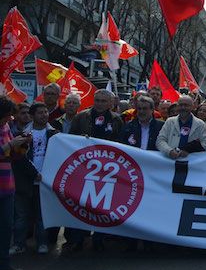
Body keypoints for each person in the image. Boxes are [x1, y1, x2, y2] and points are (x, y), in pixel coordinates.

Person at [65, 89, 124, 253]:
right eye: (97, 100)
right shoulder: (81, 117)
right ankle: (78, 239)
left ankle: (99, 239)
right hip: (84, 168)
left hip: (107, 170)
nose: (99, 104)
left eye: (103, 101)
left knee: (103, 206)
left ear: (110, 103)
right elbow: (70, 139)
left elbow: (121, 144)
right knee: (82, 204)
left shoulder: (116, 120)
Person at [11, 102, 55, 256]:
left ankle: (42, 243)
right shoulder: (22, 135)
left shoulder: (54, 134)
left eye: (46, 112)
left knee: (41, 216)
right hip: (26, 181)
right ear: (32, 115)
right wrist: (33, 173)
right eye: (40, 112)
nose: (44, 115)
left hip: (45, 182)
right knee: (22, 215)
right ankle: (19, 244)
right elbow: (19, 158)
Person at [0, 97, 30, 270]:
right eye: (6, 116)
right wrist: (11, 144)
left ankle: (4, 266)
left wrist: (23, 144)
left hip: (7, 186)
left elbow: (12, 156)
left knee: (5, 228)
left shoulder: (5, 128)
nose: (10, 119)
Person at [156, 95, 206, 159]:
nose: (183, 107)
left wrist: (191, 150)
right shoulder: (169, 121)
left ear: (192, 107)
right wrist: (169, 151)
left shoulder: (200, 124)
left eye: (186, 105)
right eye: (180, 105)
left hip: (191, 162)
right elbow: (160, 141)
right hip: (170, 161)